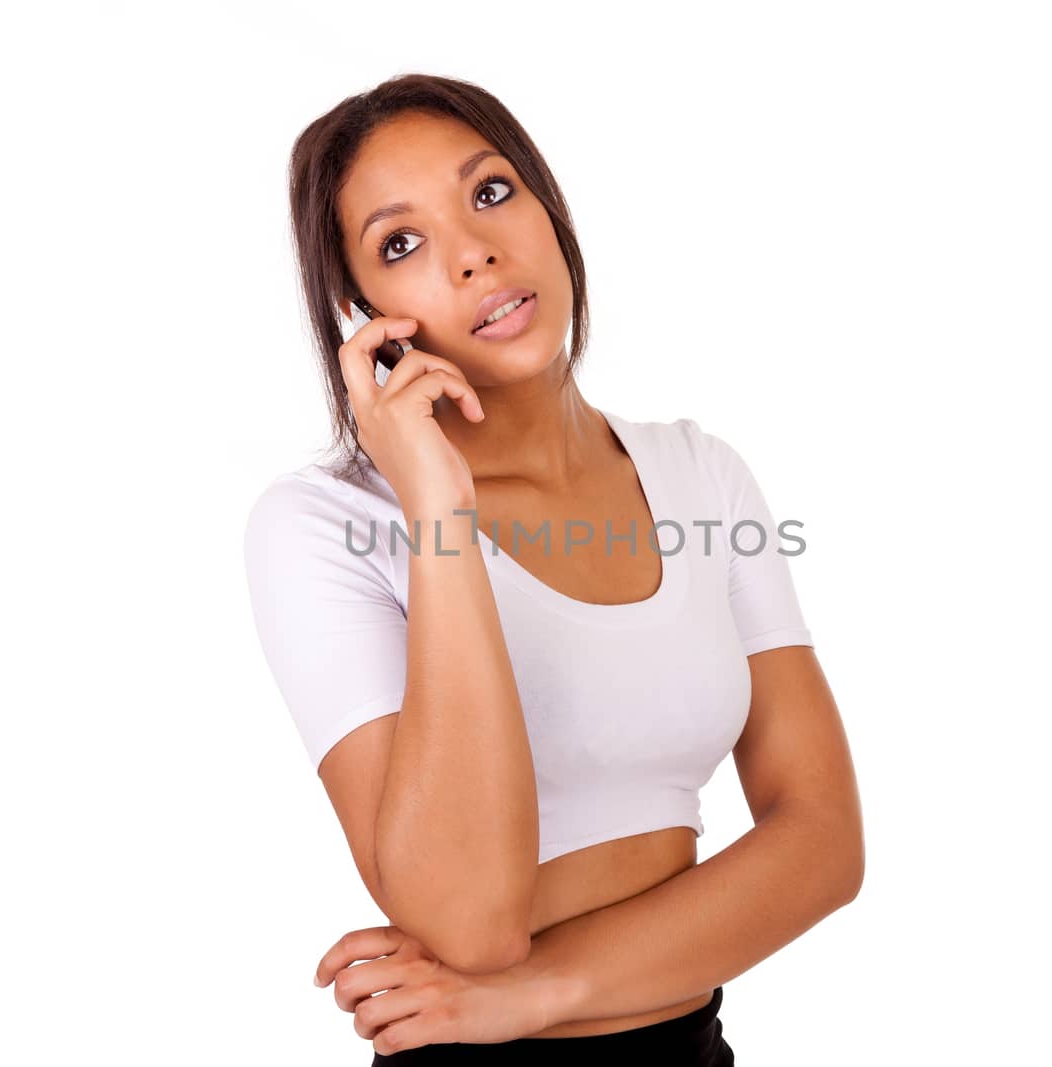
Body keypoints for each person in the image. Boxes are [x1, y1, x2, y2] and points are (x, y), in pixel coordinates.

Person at [243, 73, 864, 1064]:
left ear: (546, 203)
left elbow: (824, 843)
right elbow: (467, 924)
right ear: (367, 310)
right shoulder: (322, 524)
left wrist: (529, 993)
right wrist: (437, 509)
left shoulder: (699, 473)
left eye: (490, 193)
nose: (475, 252)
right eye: (401, 244)